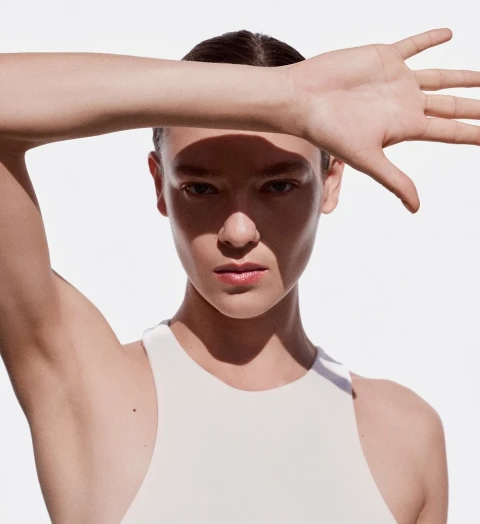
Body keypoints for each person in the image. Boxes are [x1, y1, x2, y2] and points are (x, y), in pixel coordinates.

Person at [1, 26, 477, 524]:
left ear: (331, 180)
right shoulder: (86, 385)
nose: (238, 231)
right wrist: (287, 96)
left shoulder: (406, 438)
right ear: (160, 184)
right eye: (201, 188)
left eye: (278, 185)